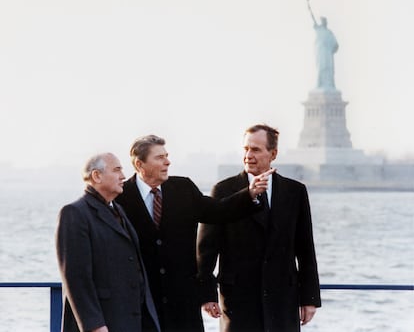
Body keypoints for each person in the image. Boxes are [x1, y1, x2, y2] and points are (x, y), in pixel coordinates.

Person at [115, 134, 272, 332]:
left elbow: (219, 211)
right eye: (159, 158)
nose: (167, 162)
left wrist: (249, 193)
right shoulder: (121, 197)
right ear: (140, 164)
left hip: (183, 305)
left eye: (167, 155)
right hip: (142, 305)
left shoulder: (183, 188)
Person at [197, 124, 321, 332]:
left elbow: (305, 248)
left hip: (282, 299)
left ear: (273, 153)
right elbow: (206, 248)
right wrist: (206, 295)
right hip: (238, 300)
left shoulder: (295, 191)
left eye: (255, 150)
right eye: (246, 149)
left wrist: (309, 298)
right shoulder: (223, 190)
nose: (248, 156)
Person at [55, 152, 160, 332]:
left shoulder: (118, 210)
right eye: (117, 170)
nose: (123, 176)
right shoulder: (75, 213)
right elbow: (76, 277)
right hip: (104, 323)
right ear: (97, 176)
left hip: (132, 320)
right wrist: (94, 325)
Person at [307, 0, 338, 89]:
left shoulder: (329, 32)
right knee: (321, 69)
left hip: (328, 54)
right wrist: (309, 8)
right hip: (321, 53)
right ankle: (319, 84)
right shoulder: (319, 29)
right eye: (323, 20)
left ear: (326, 22)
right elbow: (312, 19)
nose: (324, 22)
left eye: (325, 20)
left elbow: (336, 45)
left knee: (329, 69)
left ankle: (330, 85)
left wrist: (332, 48)